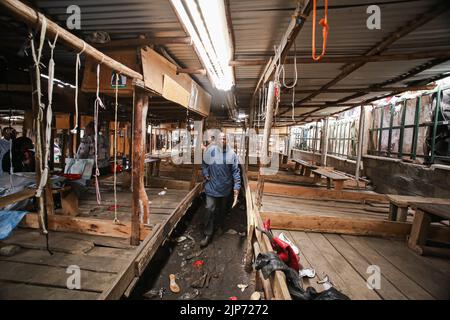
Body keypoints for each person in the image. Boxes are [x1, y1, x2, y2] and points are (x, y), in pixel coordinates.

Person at [200, 133, 241, 247]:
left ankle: (220, 225)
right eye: (220, 138)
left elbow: (236, 172)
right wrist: (206, 173)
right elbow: (204, 164)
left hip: (225, 188)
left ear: (227, 141)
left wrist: (236, 187)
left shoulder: (232, 154)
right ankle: (208, 234)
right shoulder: (210, 151)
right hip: (211, 186)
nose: (222, 140)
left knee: (223, 209)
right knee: (209, 208)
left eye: (224, 138)